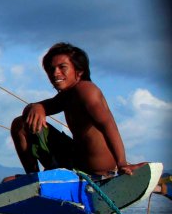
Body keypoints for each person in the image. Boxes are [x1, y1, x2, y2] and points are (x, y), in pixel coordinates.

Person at [10, 43, 135, 176]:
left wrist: (122, 163)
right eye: (51, 69)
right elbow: (38, 108)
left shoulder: (86, 90)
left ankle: (35, 179)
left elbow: (108, 126)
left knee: (21, 123)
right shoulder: (67, 96)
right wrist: (36, 106)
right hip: (75, 162)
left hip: (98, 172)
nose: (55, 73)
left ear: (79, 71)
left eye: (62, 67)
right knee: (21, 124)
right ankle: (33, 178)